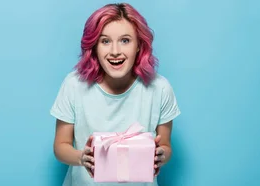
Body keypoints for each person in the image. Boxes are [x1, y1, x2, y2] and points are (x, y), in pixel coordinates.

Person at [50, 3, 181, 186]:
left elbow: (165, 146)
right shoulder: (74, 85)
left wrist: (161, 155)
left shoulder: (160, 88)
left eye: (125, 40)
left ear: (139, 45)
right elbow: (60, 146)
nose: (115, 51)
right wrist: (82, 157)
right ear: (95, 46)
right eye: (105, 41)